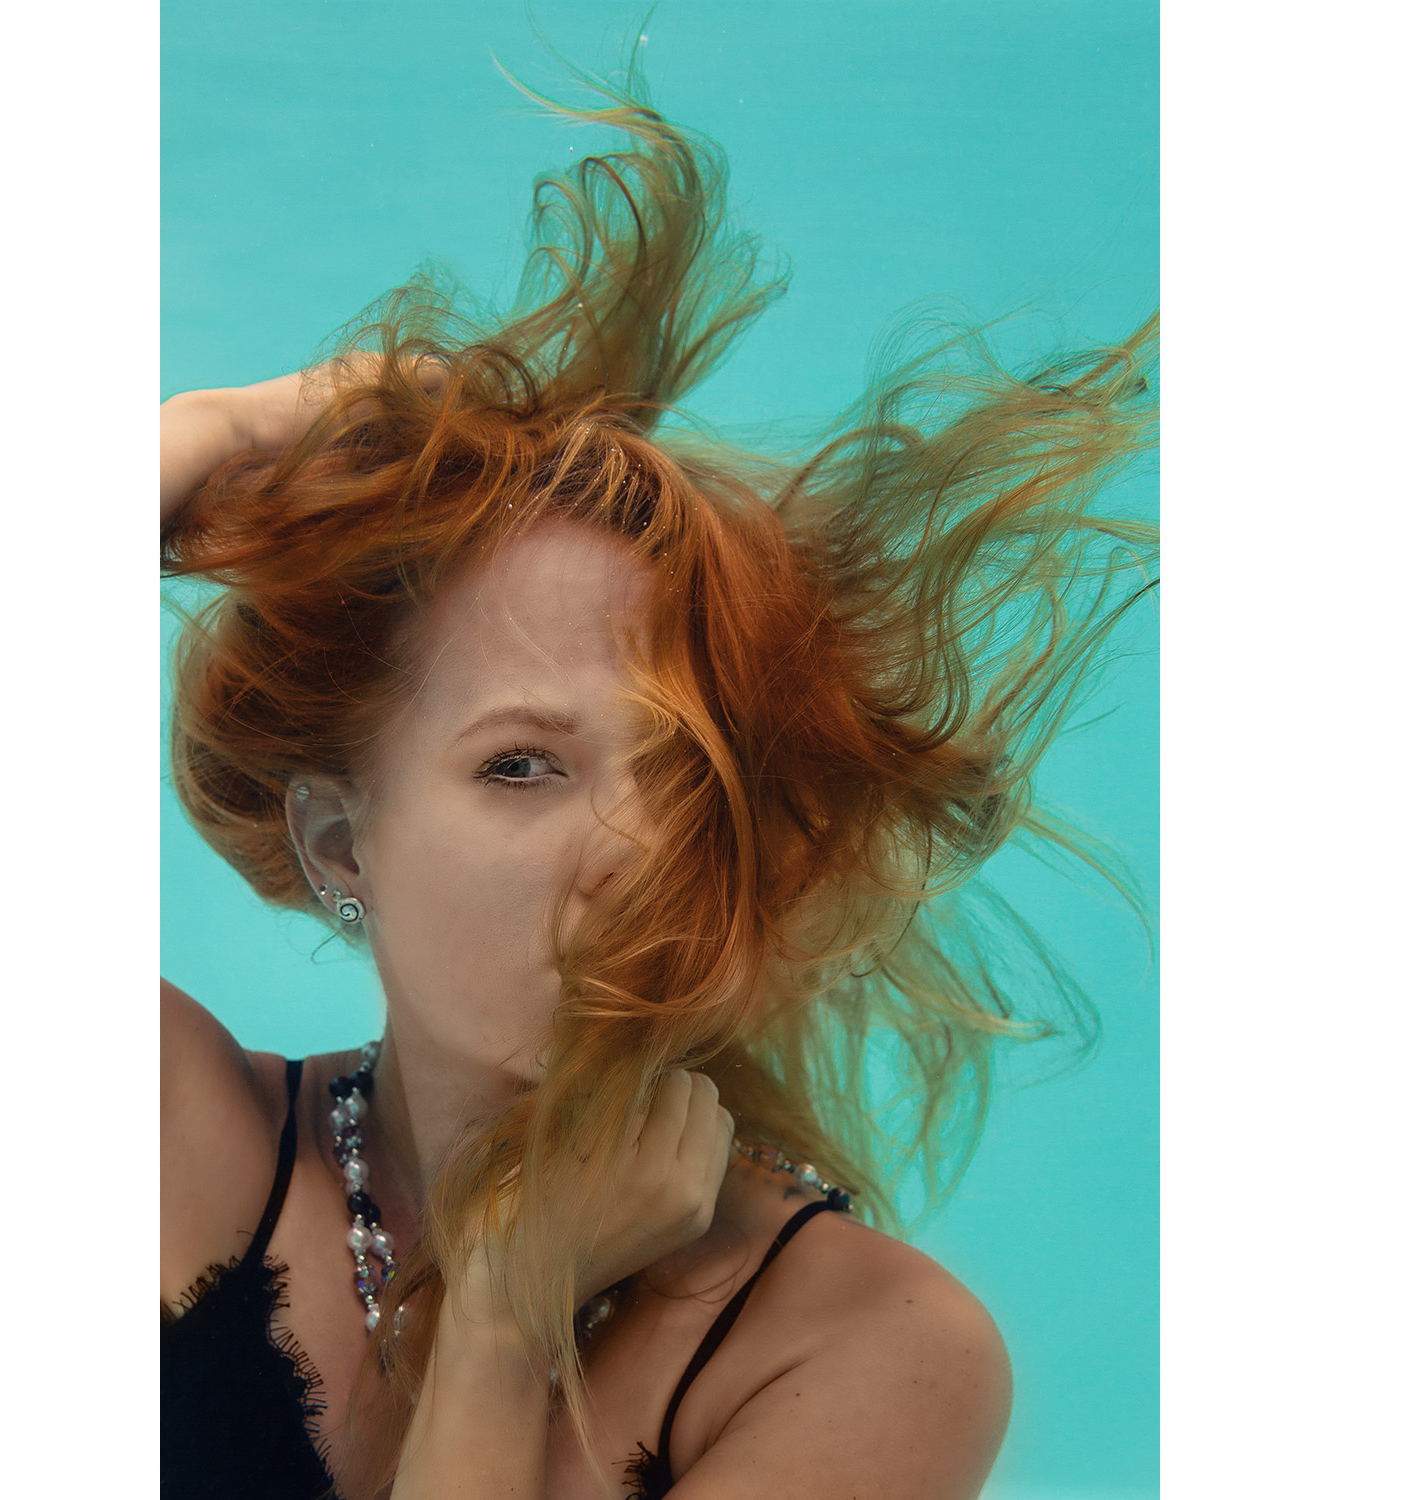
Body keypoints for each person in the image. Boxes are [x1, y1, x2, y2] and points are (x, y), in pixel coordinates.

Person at [160, 71, 1156, 1500]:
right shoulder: (167, 1136)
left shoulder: (870, 1352)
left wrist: (501, 1336)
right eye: (520, 765)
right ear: (338, 842)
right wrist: (216, 428)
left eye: (695, 775)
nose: (635, 845)